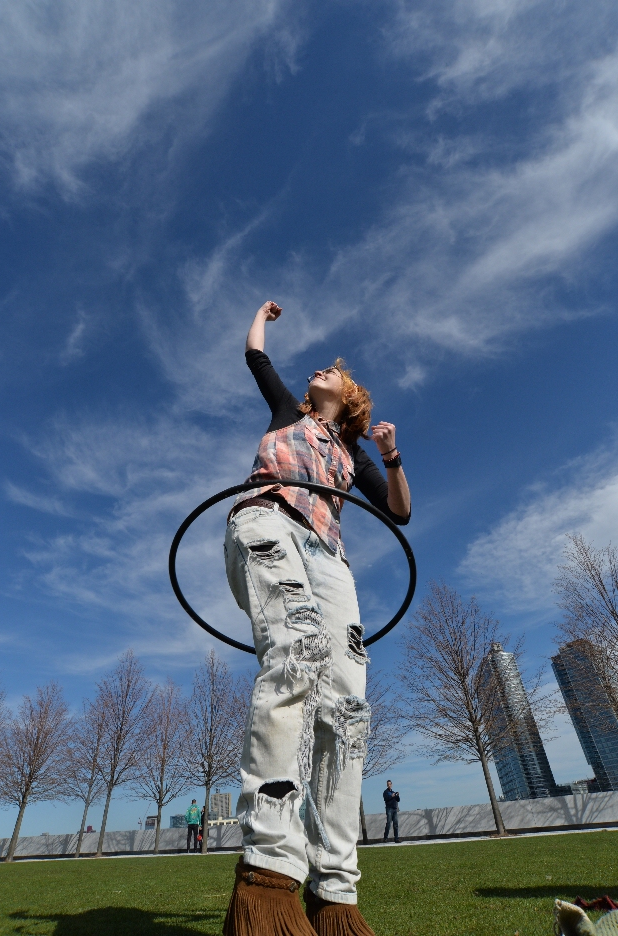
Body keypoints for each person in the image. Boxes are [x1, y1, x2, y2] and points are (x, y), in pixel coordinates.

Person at [222, 301, 411, 936]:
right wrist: (259, 314)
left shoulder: (354, 453)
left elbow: (400, 512)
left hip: (329, 556)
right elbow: (256, 356)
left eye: (333, 370)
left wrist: (391, 455)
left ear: (350, 396)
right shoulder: (288, 413)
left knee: (348, 703)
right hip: (269, 518)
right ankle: (269, 871)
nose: (320, 370)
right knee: (298, 651)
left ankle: (335, 895)